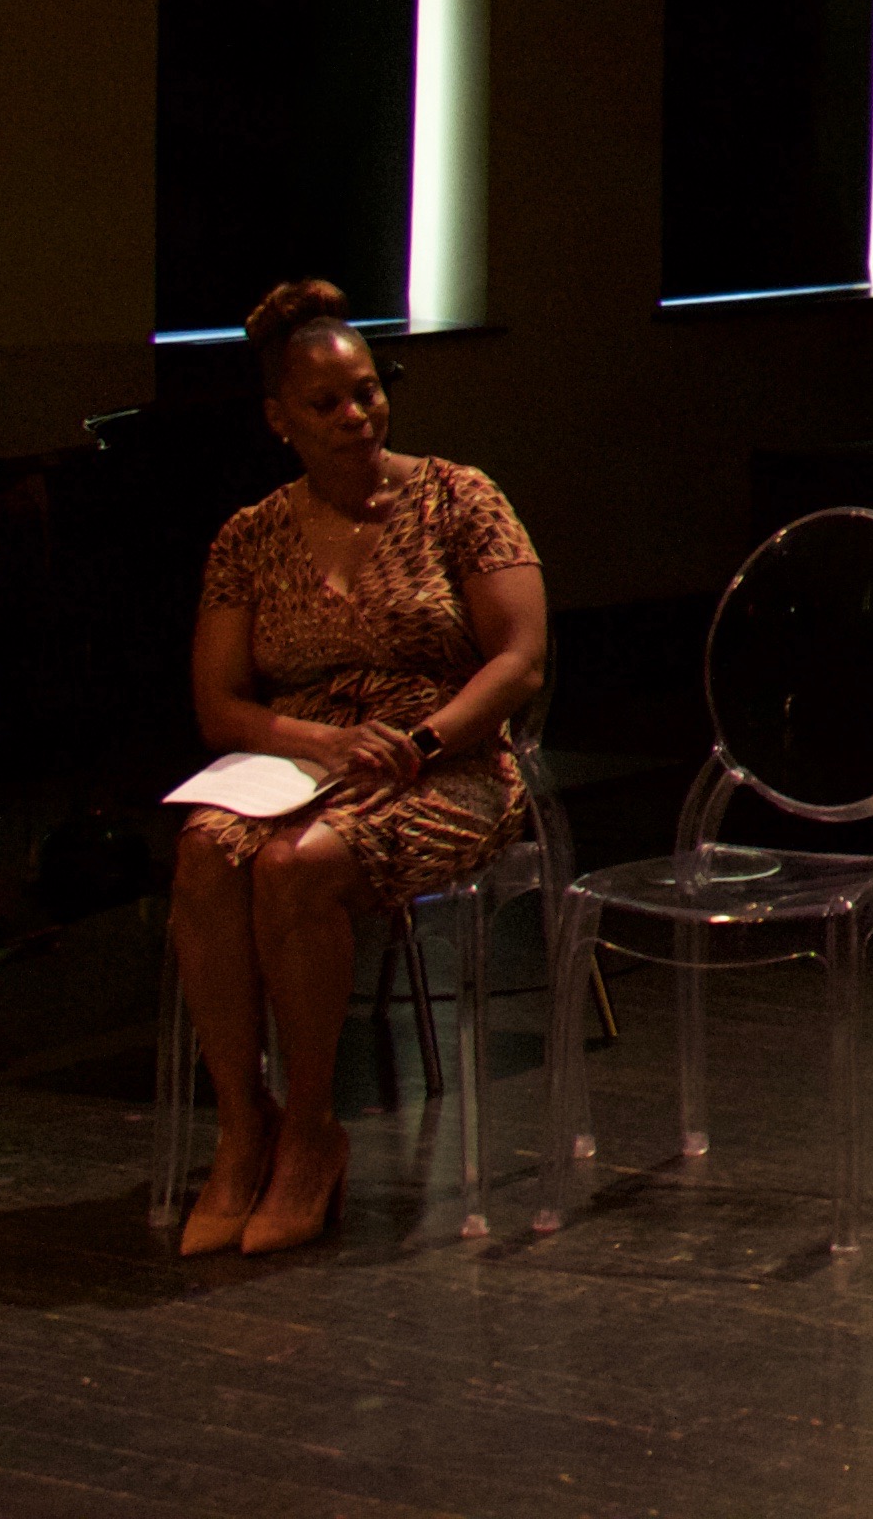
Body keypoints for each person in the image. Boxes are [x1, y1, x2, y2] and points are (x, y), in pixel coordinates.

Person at [169, 279, 550, 1256]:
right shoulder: (248, 537)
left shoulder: (460, 499)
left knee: (297, 867)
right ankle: (241, 1127)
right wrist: (317, 745)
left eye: (368, 391)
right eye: (327, 403)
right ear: (277, 420)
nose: (356, 415)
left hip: (440, 762)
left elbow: (519, 661)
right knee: (208, 854)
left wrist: (419, 743)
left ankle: (310, 1133)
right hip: (299, 761)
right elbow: (219, 706)